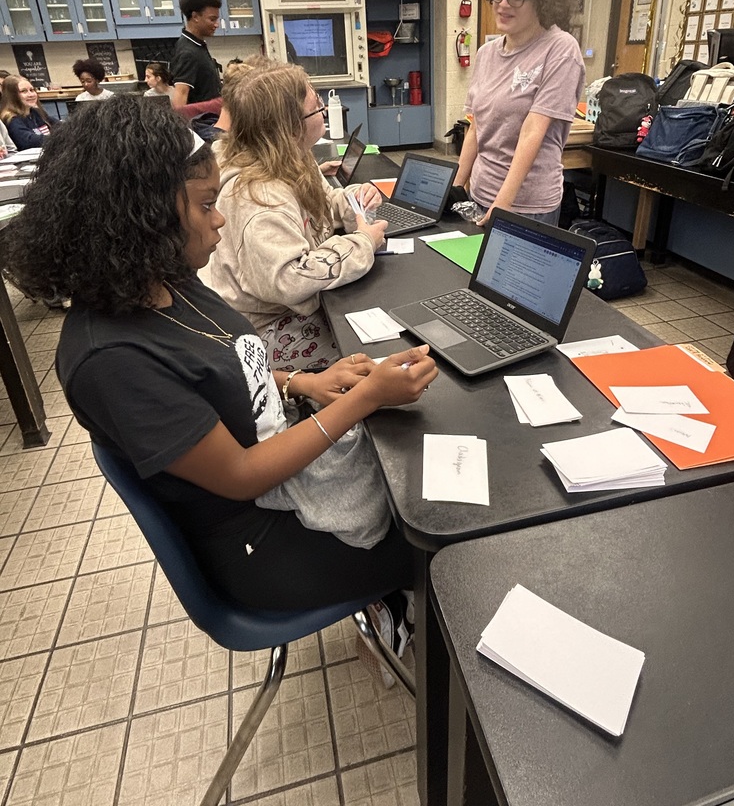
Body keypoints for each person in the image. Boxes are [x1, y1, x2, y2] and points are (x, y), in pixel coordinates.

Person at [0, 96, 436, 613]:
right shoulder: (111, 361)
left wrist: (300, 382)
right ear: (144, 214)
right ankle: (405, 619)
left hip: (281, 484)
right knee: (436, 538)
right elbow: (243, 473)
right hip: (262, 544)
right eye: (206, 205)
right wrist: (362, 400)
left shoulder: (164, 280)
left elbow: (224, 362)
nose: (221, 219)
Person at [207, 63, 386, 369]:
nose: (325, 114)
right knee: (373, 358)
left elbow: (321, 204)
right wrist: (362, 243)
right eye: (317, 108)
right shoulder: (259, 195)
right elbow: (289, 278)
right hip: (262, 332)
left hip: (282, 312)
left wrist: (350, 201)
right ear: (290, 127)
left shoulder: (291, 157)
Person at [456, 0, 585, 226]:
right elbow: (476, 127)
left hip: (527, 206)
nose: (503, 3)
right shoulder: (487, 54)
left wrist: (503, 204)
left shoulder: (561, 50)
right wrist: (454, 187)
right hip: (480, 193)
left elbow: (532, 133)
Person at [170, 0, 222, 110]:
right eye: (212, 19)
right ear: (195, 17)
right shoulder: (188, 52)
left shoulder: (197, 45)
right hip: (202, 125)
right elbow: (180, 97)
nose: (217, 24)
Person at [0, 74, 51, 150]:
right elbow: (28, 141)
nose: (31, 95)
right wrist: (59, 137)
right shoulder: (11, 119)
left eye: (32, 90)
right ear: (12, 96)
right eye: (24, 91)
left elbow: (61, 127)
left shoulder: (36, 112)